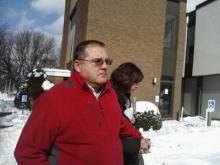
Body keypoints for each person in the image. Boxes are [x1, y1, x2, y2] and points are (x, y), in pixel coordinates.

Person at [14, 40, 151, 165]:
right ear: (78, 65)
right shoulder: (53, 99)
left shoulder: (109, 94)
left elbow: (121, 124)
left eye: (106, 61)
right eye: (97, 61)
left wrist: (140, 139)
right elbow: (27, 153)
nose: (104, 66)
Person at [111, 62, 148, 165]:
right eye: (136, 82)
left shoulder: (122, 95)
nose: (138, 86)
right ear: (126, 80)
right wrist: (137, 143)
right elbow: (115, 128)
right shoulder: (111, 96)